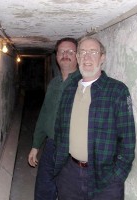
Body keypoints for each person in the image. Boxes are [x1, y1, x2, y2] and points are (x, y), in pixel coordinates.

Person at [54, 36, 136, 200]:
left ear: (102, 58)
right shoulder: (69, 90)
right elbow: (59, 130)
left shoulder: (117, 91)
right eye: (82, 52)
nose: (87, 57)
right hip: (69, 174)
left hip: (104, 178)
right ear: (77, 58)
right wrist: (60, 166)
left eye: (93, 52)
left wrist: (117, 177)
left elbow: (127, 141)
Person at [28, 37, 81, 200]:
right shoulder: (54, 83)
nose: (65, 54)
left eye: (70, 51)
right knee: (43, 191)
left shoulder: (84, 83)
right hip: (51, 146)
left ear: (78, 56)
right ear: (56, 56)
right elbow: (45, 115)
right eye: (61, 51)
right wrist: (36, 145)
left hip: (73, 150)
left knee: (68, 192)